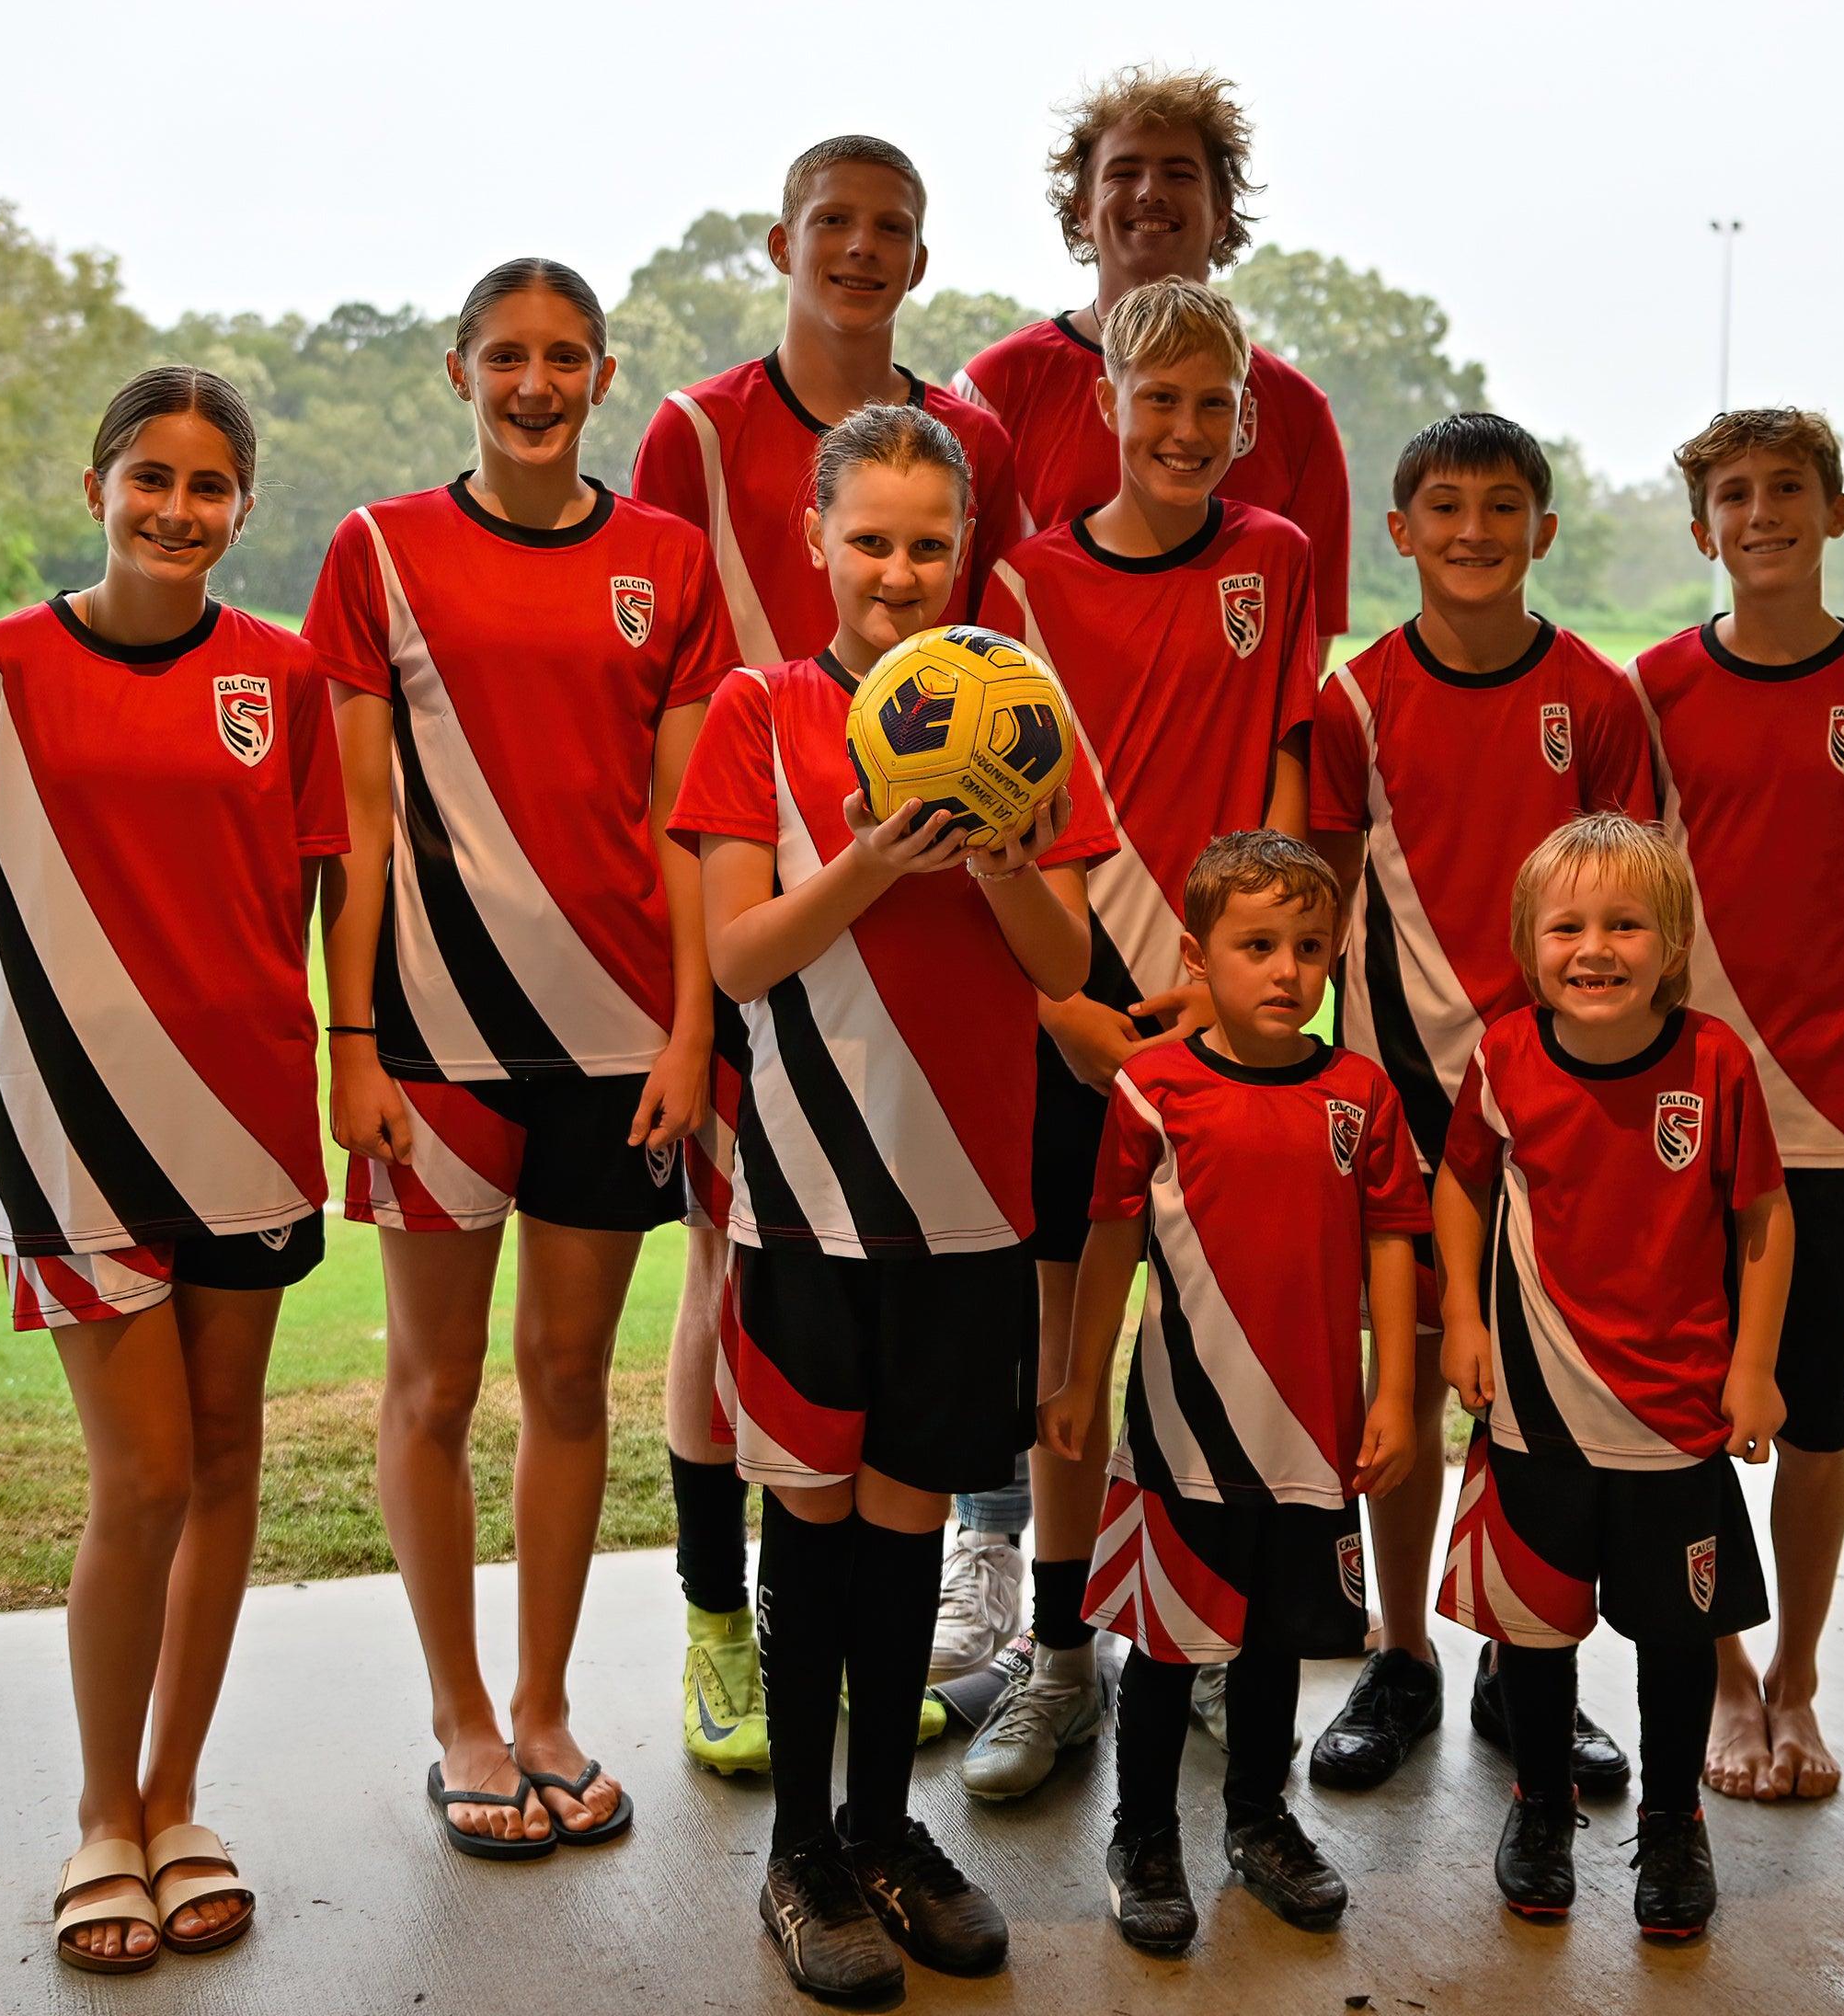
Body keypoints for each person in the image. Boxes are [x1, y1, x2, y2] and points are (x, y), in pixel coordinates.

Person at [669, 402, 1113, 2001]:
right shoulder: (756, 708)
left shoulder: (1020, 712)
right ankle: (798, 1848)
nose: (902, 570)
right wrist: (869, 856)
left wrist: (994, 856)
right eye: (873, 539)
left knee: (911, 1520)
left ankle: (880, 1829)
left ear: (968, 551)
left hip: (971, 1200)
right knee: (816, 1524)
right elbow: (736, 958)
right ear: (816, 538)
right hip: (804, 1200)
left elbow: (1066, 963)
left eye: (932, 543)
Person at [305, 258, 730, 1857]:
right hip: (436, 1049)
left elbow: (694, 823)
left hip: (620, 1050)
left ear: (604, 377)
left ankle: (546, 1705)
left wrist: (691, 1030)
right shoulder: (379, 551)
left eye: (563, 358)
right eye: (506, 357)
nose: (534, 383)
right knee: (430, 1383)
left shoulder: (665, 560)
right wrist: (351, 1042)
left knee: (566, 1379)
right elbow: (349, 824)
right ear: (457, 369)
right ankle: (460, 1715)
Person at [0, 366, 341, 1972]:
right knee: (143, 1479)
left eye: (208, 484)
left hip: (248, 1120)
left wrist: (343, 1051)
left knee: (230, 1459)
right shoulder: (4, 668)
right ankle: (102, 1812)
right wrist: (29, 1097)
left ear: (244, 506)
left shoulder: (284, 673)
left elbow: (322, 889)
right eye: (149, 477)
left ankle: (180, 1796)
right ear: (97, 485)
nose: (176, 509)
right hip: (76, 1138)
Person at [629, 136, 1029, 1746]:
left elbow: (989, 693)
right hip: (760, 880)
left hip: (920, 950)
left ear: (921, 258)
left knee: (900, 1371)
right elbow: (668, 711)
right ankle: (721, 1624)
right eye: (834, 224)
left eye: (893, 230)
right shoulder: (695, 431)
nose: (861, 250)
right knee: (733, 1280)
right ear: (783, 238)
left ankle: (880, 1692)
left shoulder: (963, 438)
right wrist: (682, 1004)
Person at [961, 276, 1322, 1798]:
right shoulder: (1026, 582)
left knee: (1214, 1348)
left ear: (1244, 421)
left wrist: (1259, 967)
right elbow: (1003, 800)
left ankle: (1219, 1645)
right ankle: (1058, 1660)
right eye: (1152, 398)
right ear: (1101, 406)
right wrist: (1064, 1002)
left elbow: (1289, 766)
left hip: (1217, 1019)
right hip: (1070, 1008)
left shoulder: (1275, 559)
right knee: (1070, 1352)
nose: (1181, 427)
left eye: (1209, 404)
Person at [1305, 411, 1655, 1797]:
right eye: (1440, 508)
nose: (1470, 532)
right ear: (1397, 533)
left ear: (1542, 533)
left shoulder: (1597, 697)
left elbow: (1626, 908)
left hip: (1548, 1110)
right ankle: (1399, 1654)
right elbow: (1317, 903)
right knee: (1402, 1382)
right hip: (1394, 1104)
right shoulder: (1350, 699)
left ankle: (1526, 1663)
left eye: (1500, 507)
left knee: (1532, 1395)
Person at [1627, 407, 1844, 1801]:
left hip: (1819, 1124)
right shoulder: (1646, 690)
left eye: (1785, 489)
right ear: (1701, 527)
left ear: (1831, 509)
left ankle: (1799, 1677)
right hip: (1676, 1120)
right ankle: (1721, 1674)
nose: (1758, 513)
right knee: (1689, 1419)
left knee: (1817, 1427)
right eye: (1731, 495)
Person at [1045, 830, 1426, 1953]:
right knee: (1170, 1651)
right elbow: (1109, 1241)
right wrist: (1076, 1375)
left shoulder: (1359, 1093)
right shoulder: (1153, 1087)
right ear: (1196, 956)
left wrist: (1393, 1393)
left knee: (1274, 1647)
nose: (1286, 969)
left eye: (1310, 947)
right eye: (1257, 944)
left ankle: (1258, 1819)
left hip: (1311, 1436)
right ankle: (1143, 1833)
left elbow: (1395, 1243)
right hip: (1180, 1437)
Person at [1433, 812, 1791, 1938]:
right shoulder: (1502, 1053)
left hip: (1673, 1420)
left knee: (1675, 1641)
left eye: (1627, 923)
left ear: (1673, 943)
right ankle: (1540, 1808)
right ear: (1529, 942)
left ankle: (1676, 1820)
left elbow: (1763, 1218)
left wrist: (1757, 1368)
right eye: (1569, 925)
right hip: (1534, 1418)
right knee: (1537, 1639)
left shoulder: (1717, 1061)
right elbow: (1457, 1183)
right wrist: (1459, 1314)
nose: (1597, 947)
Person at [956, 64, 1351, 646]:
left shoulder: (1296, 409)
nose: (1150, 191)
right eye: (1123, 172)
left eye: (1179, 172)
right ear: (1082, 210)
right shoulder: (992, 389)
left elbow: (1301, 648)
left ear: (1222, 212)